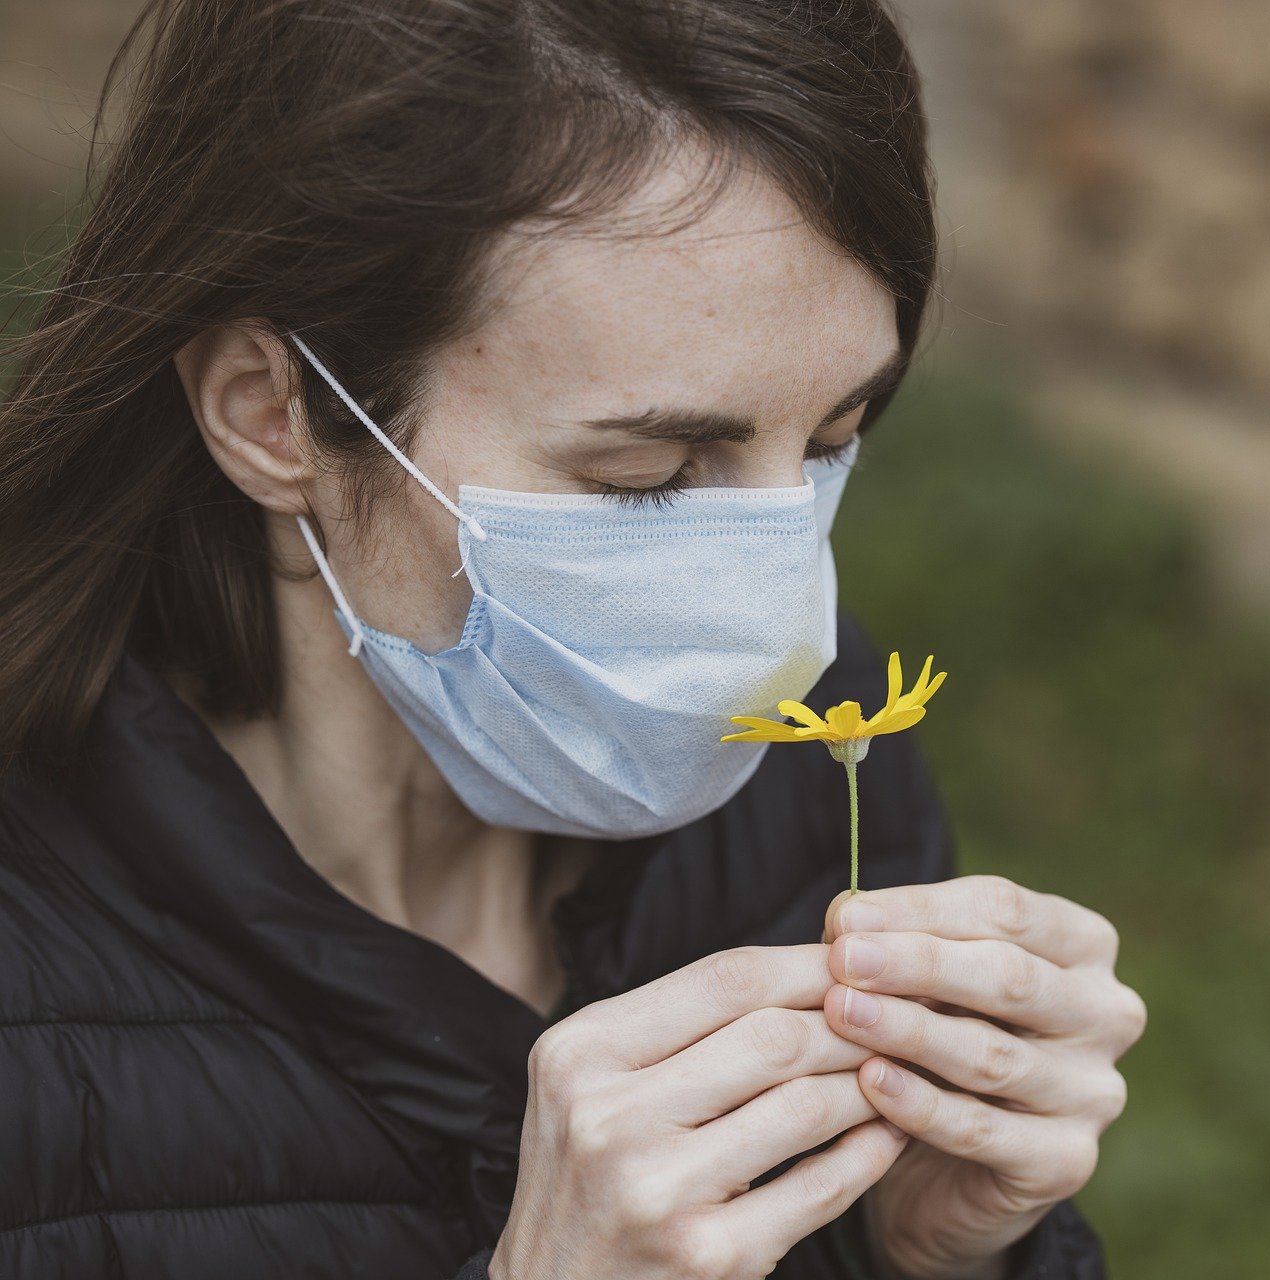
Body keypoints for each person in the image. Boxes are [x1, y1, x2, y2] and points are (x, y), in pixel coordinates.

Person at [0, 0, 1146, 1276]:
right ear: (272, 413)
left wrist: (938, 1255)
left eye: (830, 442)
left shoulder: (812, 767)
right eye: (649, 474)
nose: (774, 617)